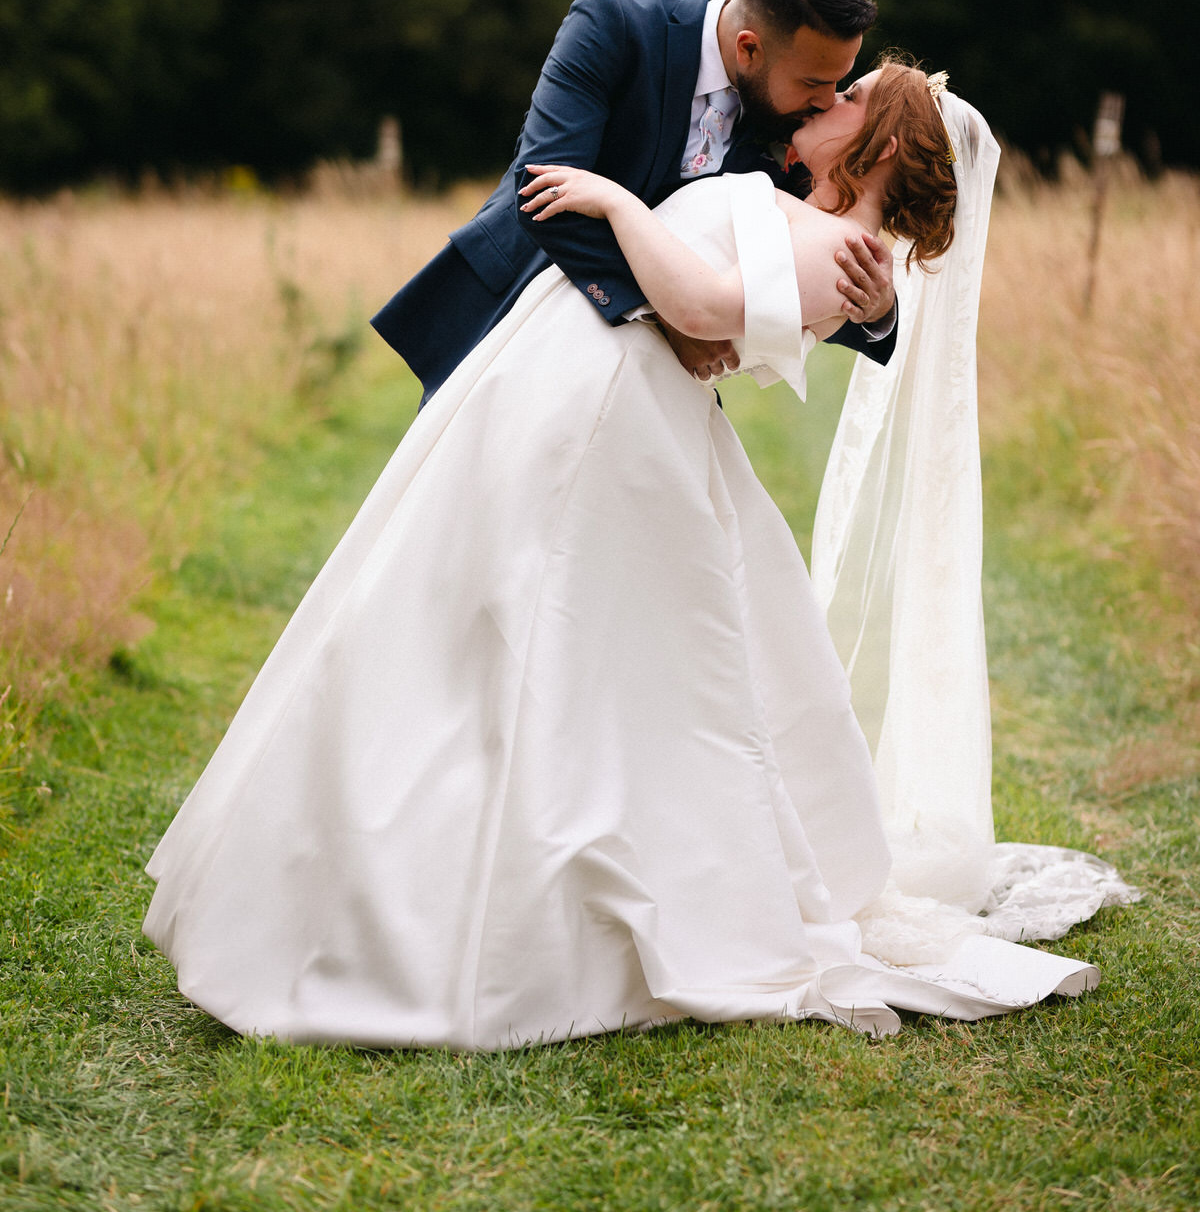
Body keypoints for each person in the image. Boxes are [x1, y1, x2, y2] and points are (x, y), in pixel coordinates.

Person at [143, 59, 1135, 1046]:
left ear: (883, 138)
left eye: (851, 98)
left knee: (546, 646)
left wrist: (618, 205)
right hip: (575, 386)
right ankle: (363, 870)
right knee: (455, 630)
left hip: (606, 418)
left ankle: (465, 912)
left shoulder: (843, 254)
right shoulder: (804, 207)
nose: (823, 104)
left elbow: (702, 312)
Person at [370, 0, 899, 398]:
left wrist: (877, 311)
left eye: (839, 83)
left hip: (645, 383)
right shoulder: (613, 27)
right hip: (513, 311)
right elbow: (544, 185)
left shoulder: (797, 122)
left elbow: (797, 262)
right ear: (749, 49)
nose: (827, 102)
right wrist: (663, 314)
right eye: (813, 82)